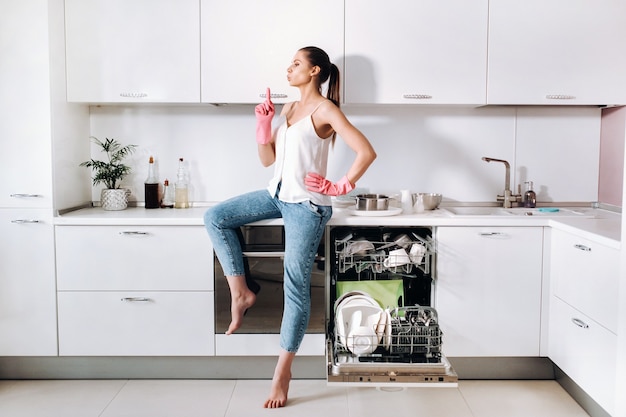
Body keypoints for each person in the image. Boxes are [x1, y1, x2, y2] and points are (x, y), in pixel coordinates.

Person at [204, 46, 376, 408]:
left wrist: (339, 186)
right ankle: (242, 293)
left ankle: (282, 373)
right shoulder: (290, 108)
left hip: (306, 206)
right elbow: (269, 161)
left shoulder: (325, 109)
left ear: (315, 71)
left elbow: (365, 151)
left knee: (295, 288)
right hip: (277, 195)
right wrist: (264, 124)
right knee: (215, 217)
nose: (289, 68)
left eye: (296, 63)